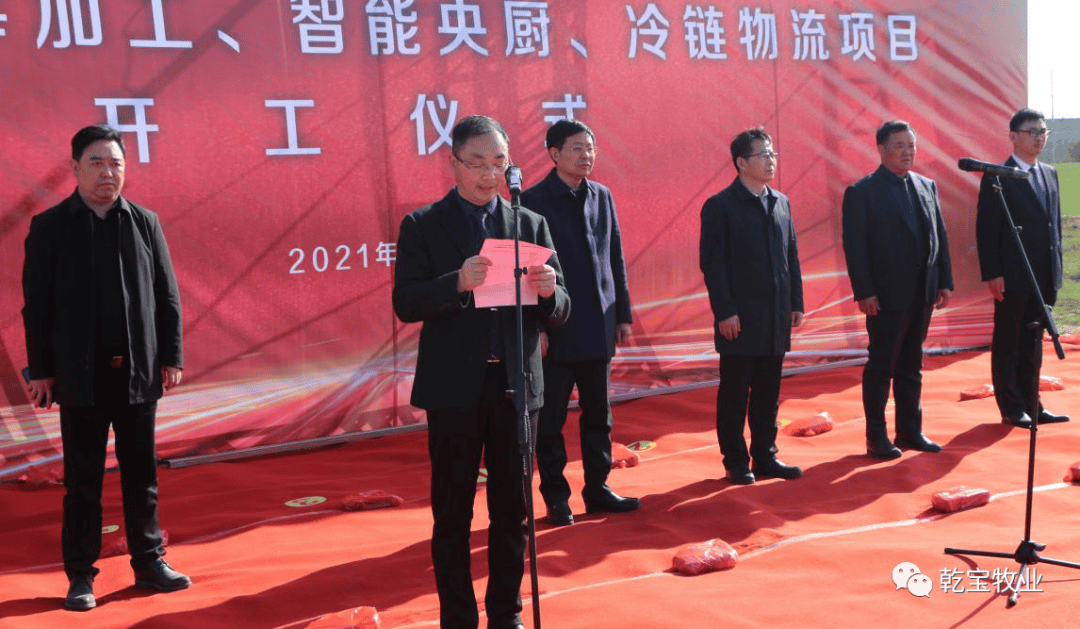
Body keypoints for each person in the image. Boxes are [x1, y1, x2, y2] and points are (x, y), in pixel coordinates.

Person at [392, 115, 570, 629]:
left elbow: (561, 308)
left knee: (512, 510)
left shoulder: (528, 223)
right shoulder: (423, 224)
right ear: (453, 164)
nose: (490, 174)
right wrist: (455, 283)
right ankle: (458, 617)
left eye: (499, 163)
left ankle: (506, 613)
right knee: (453, 512)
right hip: (455, 390)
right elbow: (406, 302)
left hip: (517, 388)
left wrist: (549, 292)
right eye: (477, 163)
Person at [21, 124, 190, 611]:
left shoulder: (144, 223)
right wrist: (42, 371)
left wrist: (171, 356)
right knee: (83, 482)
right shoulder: (50, 227)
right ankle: (80, 575)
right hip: (79, 376)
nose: (107, 173)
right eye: (96, 163)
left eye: (115, 163)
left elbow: (166, 295)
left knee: (142, 476)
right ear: (74, 168)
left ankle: (149, 562)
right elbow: (37, 306)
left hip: (138, 372)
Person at [520, 119, 638, 526]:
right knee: (550, 419)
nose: (586, 155)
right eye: (576, 148)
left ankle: (598, 488)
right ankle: (556, 497)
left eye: (590, 148)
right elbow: (527, 271)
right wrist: (537, 327)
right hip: (556, 327)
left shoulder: (601, 195)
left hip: (599, 322)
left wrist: (622, 314)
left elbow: (614, 256)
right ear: (554, 154)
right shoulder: (533, 201)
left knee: (599, 415)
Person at [698, 127, 804, 485]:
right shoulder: (720, 206)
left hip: (776, 315)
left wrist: (796, 302)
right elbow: (712, 264)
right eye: (763, 154)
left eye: (773, 153)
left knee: (768, 391)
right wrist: (725, 312)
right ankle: (735, 461)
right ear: (741, 162)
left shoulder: (780, 202)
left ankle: (765, 456)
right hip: (740, 318)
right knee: (734, 393)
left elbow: (791, 256)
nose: (771, 160)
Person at [842, 120, 953, 459]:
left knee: (912, 363)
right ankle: (876, 437)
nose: (908, 152)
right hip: (885, 295)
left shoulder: (926, 185)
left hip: (923, 291)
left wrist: (944, 280)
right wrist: (864, 292)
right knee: (882, 365)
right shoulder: (862, 191)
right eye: (899, 145)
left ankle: (910, 431)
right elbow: (855, 247)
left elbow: (939, 235)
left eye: (911, 145)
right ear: (881, 149)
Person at [975, 108, 1069, 428]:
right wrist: (993, 273)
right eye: (1032, 131)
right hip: (1013, 276)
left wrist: (1057, 267)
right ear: (1013, 136)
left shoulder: (1050, 173)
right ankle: (1011, 407)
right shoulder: (997, 176)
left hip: (1045, 276)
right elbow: (987, 229)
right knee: (1009, 341)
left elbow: (1054, 226)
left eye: (1043, 131)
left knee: (1033, 343)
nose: (1039, 137)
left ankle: (1033, 404)